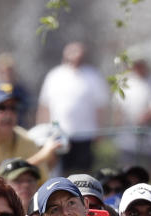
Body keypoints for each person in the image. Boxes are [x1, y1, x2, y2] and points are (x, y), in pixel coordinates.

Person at [37, 42, 109, 174]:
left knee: (83, 172)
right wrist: (42, 130)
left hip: (85, 134)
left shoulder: (93, 75)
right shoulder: (54, 75)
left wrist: (100, 131)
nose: (75, 57)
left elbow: (100, 106)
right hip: (59, 134)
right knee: (57, 172)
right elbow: (44, 105)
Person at [0, 83, 58, 179]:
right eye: (1, 107)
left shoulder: (27, 141)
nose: (8, 114)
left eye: (13, 108)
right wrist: (40, 157)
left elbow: (43, 186)